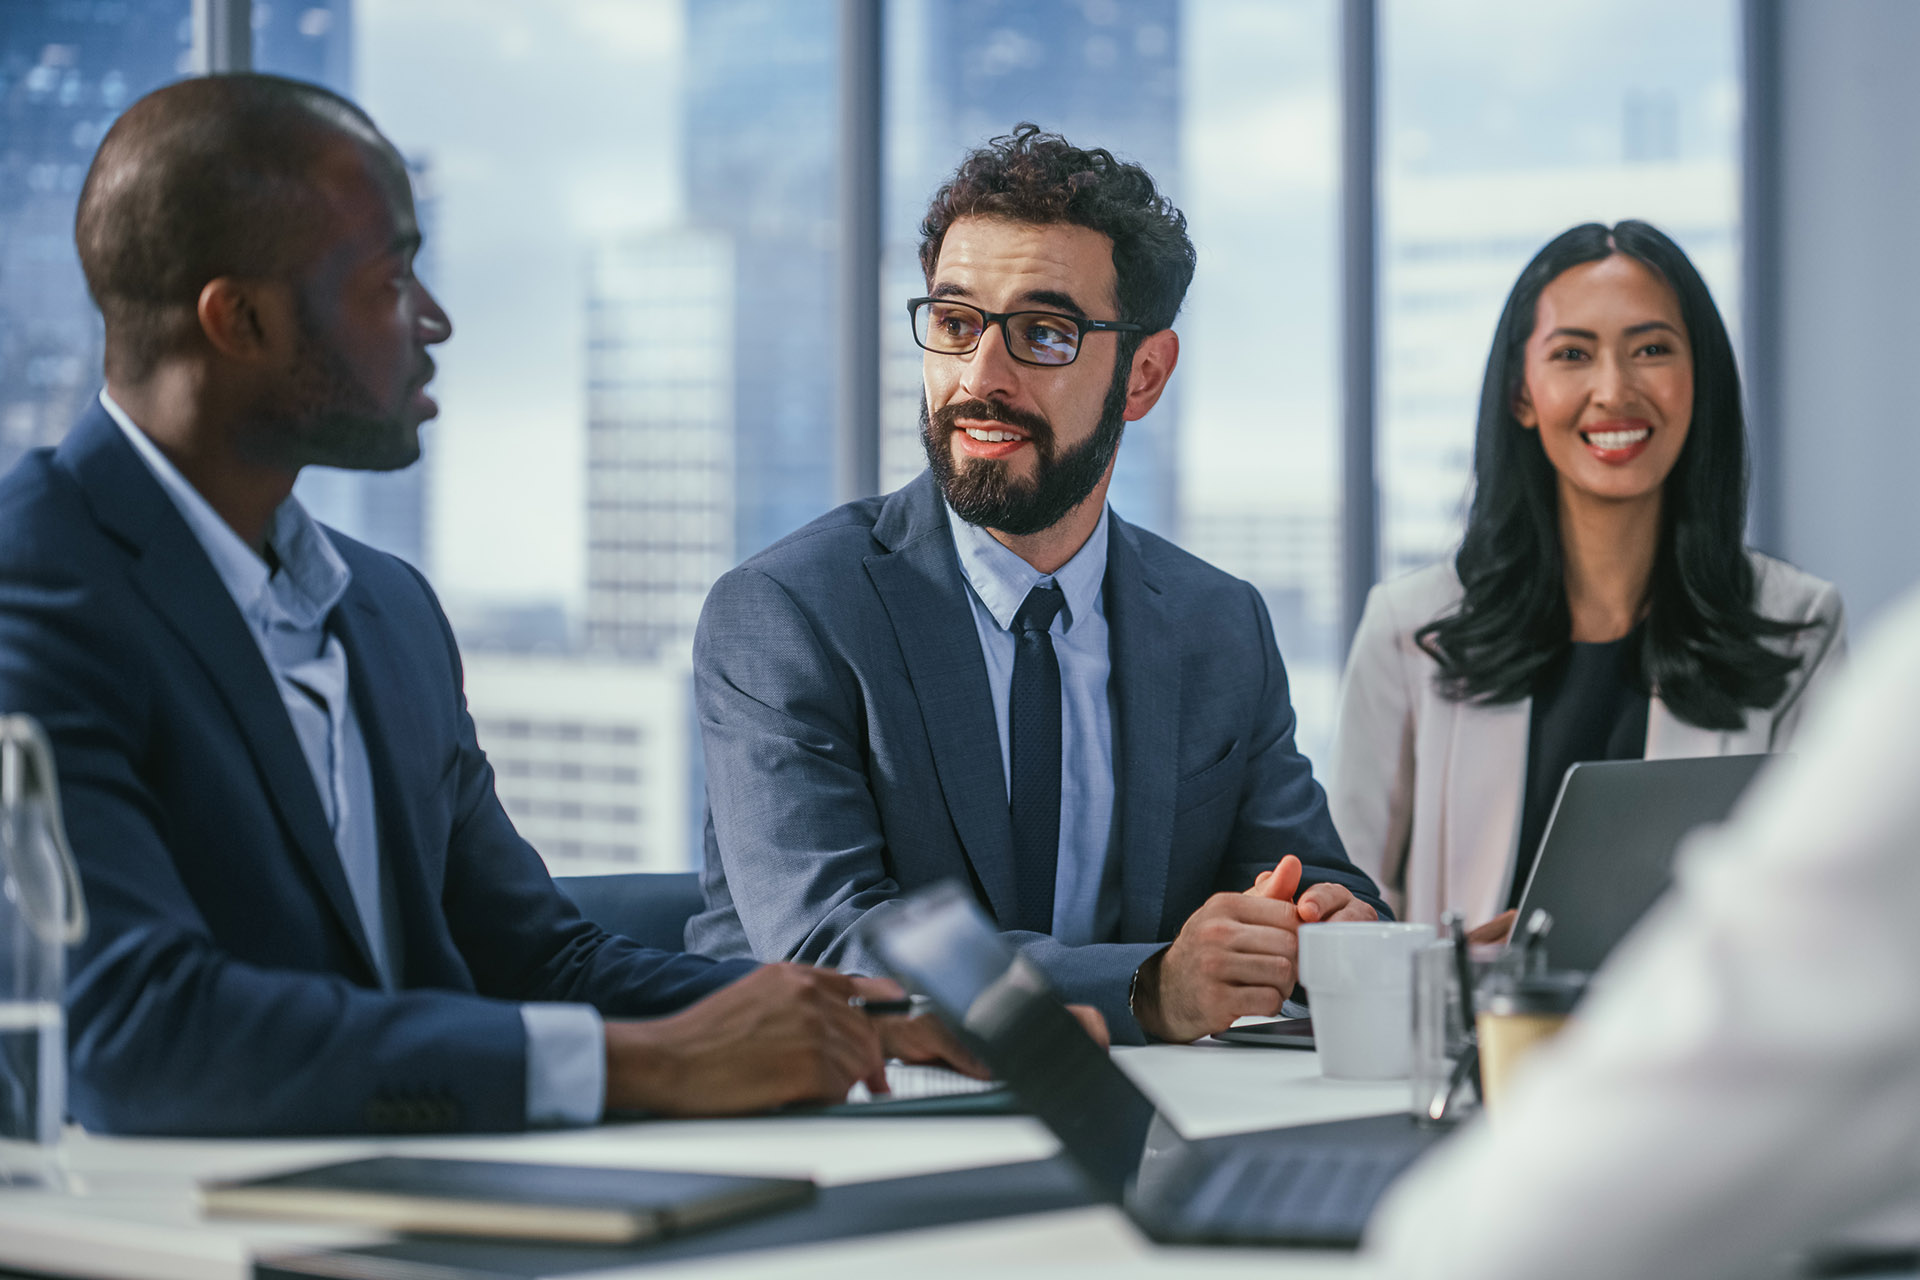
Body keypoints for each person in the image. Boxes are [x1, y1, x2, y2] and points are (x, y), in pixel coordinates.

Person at [0, 74, 963, 1137]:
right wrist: (640, 1065)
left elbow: (539, 959)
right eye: (392, 276)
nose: (435, 318)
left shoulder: (387, 608)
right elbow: (135, 1034)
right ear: (242, 319)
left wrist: (881, 1017)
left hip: (424, 1202)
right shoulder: (34, 585)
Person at [685, 124, 1386, 1045]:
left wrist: (1329, 927)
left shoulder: (1220, 626)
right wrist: (1146, 985)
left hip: (1159, 1122)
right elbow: (831, 945)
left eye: (1045, 334)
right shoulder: (788, 615)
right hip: (855, 1126)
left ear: (1142, 376)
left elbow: (1312, 874)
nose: (981, 377)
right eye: (955, 322)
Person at [1365, 581, 1920, 1280]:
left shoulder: (1805, 621)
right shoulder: (1408, 620)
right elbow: (1357, 900)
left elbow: (1490, 1252)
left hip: (1635, 1125)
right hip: (1459, 1090)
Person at [1326, 221, 1844, 933]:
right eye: (1573, 354)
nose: (1614, 390)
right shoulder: (1408, 629)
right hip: (1464, 1041)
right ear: (1522, 395)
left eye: (1652, 350)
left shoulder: (1800, 628)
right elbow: (1347, 913)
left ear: (1701, 381)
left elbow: (1822, 913)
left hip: (1689, 1040)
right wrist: (1458, 968)